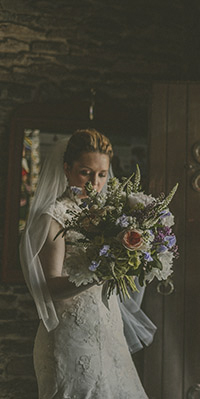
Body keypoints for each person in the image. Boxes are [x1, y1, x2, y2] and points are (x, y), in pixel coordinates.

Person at [20, 129, 153, 399]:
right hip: (71, 333)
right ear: (67, 169)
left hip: (107, 325)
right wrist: (98, 274)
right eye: (85, 172)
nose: (95, 183)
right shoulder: (55, 216)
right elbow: (50, 287)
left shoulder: (109, 214)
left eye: (102, 174)